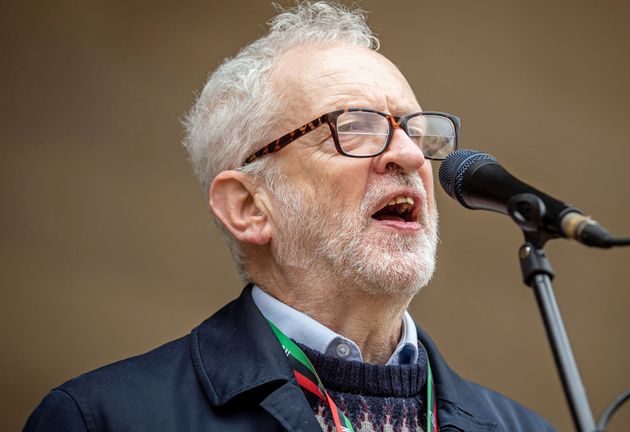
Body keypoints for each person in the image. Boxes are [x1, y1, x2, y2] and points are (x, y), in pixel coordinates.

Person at [24, 2, 554, 431]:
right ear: (249, 207)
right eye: (357, 127)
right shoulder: (103, 418)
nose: (412, 156)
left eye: (414, 130)